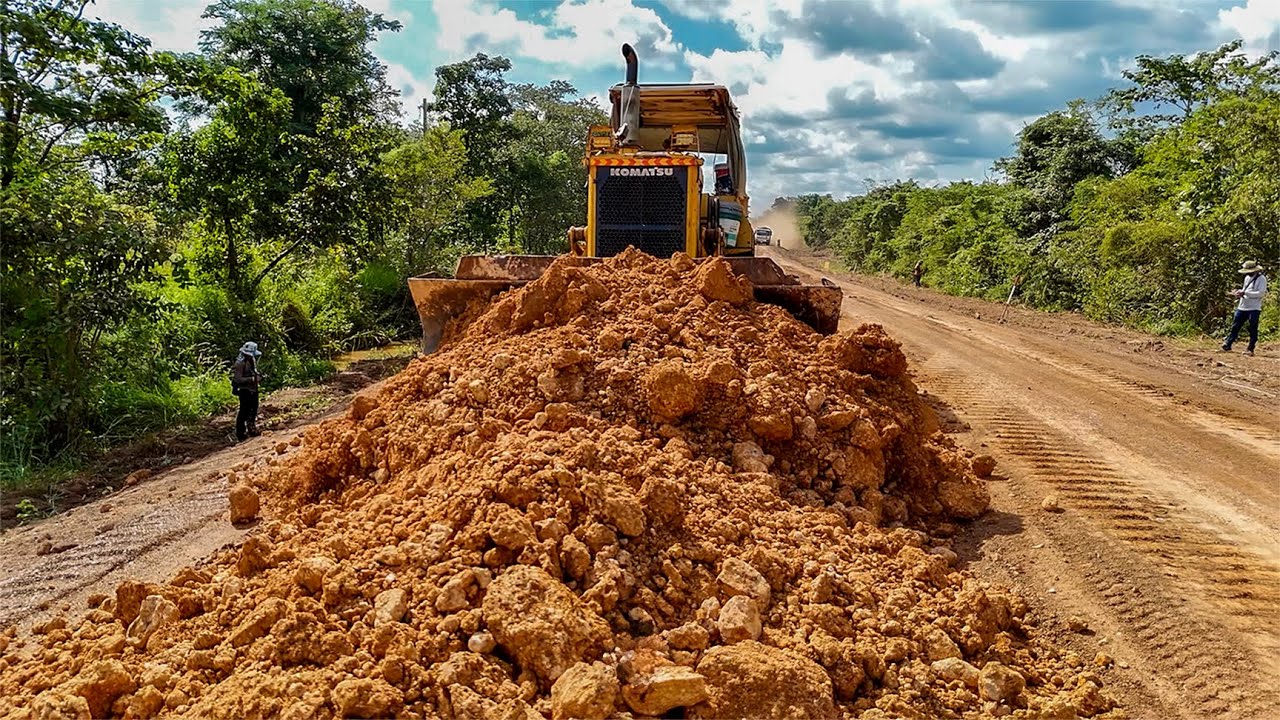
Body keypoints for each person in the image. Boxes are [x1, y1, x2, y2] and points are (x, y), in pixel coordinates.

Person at [1221, 260, 1267, 356]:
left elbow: (1260, 293)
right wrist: (1239, 292)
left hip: (1254, 308)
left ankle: (1250, 348)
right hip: (1242, 306)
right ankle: (1228, 344)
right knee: (1235, 326)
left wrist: (1245, 293)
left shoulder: (1261, 279)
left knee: (1252, 328)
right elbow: (1246, 290)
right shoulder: (1247, 278)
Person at [232, 341, 263, 440]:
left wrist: (258, 376)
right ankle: (240, 433)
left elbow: (254, 371)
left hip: (253, 389)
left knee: (253, 409)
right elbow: (238, 379)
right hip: (244, 390)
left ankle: (252, 429)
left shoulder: (251, 360)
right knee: (243, 411)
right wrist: (252, 379)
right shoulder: (239, 364)